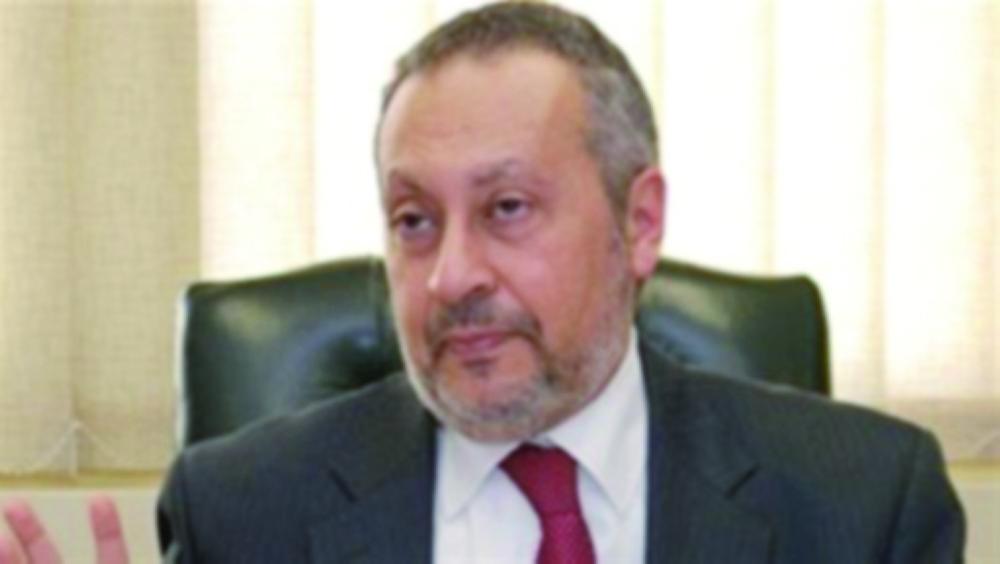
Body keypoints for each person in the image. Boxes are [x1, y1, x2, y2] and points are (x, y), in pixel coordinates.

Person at [1, 2, 965, 563]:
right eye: (413, 220)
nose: (450, 275)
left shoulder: (863, 506)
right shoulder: (244, 516)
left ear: (639, 223)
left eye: (506, 208)